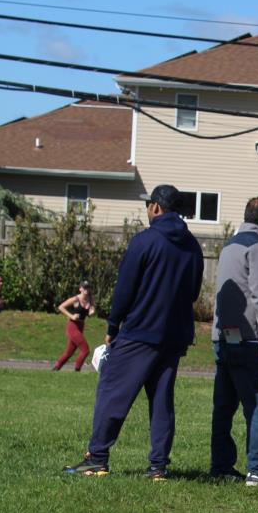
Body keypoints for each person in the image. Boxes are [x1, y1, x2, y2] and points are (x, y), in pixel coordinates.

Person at [64, 184, 204, 478]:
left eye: (148, 205)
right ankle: (158, 467)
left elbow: (125, 289)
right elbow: (193, 292)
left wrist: (113, 326)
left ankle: (97, 457)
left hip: (140, 331)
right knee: (162, 400)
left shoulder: (145, 241)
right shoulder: (192, 245)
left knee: (112, 392)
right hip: (175, 334)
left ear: (156, 207)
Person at [210, 196, 258, 487]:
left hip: (223, 336)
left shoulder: (230, 246)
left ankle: (221, 465)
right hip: (249, 338)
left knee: (224, 405)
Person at [53, 280, 95, 371]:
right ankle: (77, 369)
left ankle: (56, 368)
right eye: (84, 287)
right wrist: (71, 316)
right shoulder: (75, 299)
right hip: (72, 326)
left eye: (88, 287)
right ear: (80, 289)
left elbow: (91, 311)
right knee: (85, 350)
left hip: (81, 326)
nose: (86, 289)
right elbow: (61, 307)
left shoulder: (91, 299)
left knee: (69, 352)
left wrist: (91, 313)